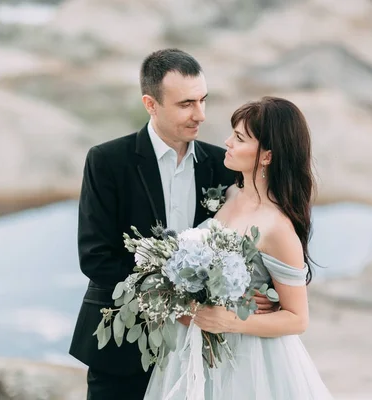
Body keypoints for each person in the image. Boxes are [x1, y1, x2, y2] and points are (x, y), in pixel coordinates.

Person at [69, 49, 272, 400]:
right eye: (186, 104)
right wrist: (176, 305)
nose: (201, 115)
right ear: (151, 104)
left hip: (205, 351)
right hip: (123, 348)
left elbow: (255, 235)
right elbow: (96, 258)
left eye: (203, 100)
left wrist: (258, 292)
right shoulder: (107, 162)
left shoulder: (222, 165)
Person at [143, 96, 334, 399]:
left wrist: (229, 319)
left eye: (240, 137)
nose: (227, 142)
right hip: (197, 350)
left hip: (250, 361)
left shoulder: (277, 227)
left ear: (267, 156)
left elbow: (298, 318)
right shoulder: (231, 194)